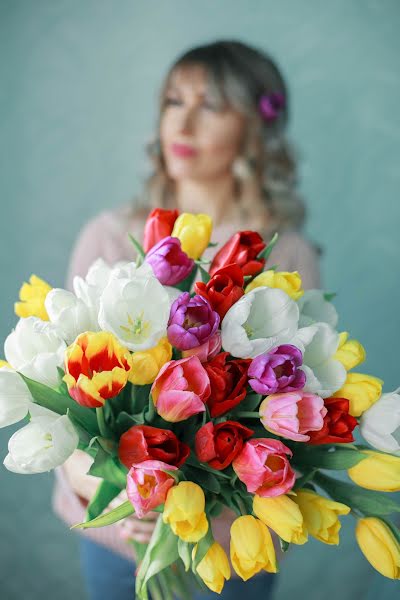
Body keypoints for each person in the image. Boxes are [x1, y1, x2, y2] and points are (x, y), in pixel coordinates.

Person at [53, 40, 321, 599]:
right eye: (174, 100)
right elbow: (66, 402)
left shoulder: (289, 256)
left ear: (255, 128)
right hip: (123, 541)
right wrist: (126, 502)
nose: (185, 121)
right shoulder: (109, 238)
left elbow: (305, 403)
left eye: (212, 105)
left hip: (236, 546)